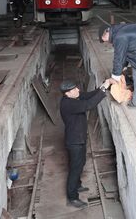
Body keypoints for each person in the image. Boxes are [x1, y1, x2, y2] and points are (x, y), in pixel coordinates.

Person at [59, 79, 113, 208]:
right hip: (74, 141)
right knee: (75, 168)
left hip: (79, 138)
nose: (78, 90)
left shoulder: (75, 97)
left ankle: (77, 185)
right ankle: (72, 197)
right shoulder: (68, 104)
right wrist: (104, 89)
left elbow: (89, 95)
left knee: (81, 162)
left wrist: (103, 86)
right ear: (67, 93)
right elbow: (89, 105)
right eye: (74, 89)